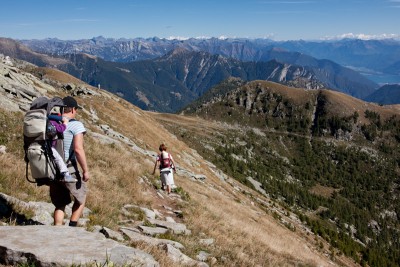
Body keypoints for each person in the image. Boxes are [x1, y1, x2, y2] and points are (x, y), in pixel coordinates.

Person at [49, 96, 90, 226]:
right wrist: (85, 170)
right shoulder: (76, 125)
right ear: (72, 109)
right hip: (69, 166)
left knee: (60, 203)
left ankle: (57, 230)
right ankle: (71, 229)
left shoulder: (53, 123)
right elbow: (78, 149)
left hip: (52, 167)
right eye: (76, 109)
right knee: (81, 198)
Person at [48, 111, 77, 183]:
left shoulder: (47, 121)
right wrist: (65, 123)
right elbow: (59, 129)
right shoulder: (53, 122)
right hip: (49, 146)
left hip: (43, 145)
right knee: (59, 159)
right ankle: (66, 175)